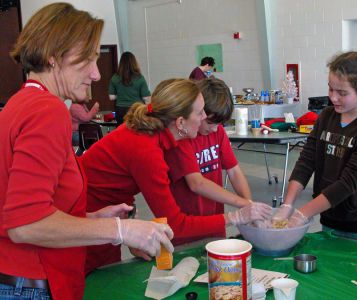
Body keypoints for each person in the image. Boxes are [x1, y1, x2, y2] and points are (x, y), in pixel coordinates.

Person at [0, 3, 173, 299]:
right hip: (34, 280)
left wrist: (91, 219)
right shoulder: (48, 111)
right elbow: (24, 224)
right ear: (54, 57)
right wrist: (121, 230)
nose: (96, 74)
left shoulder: (21, 103)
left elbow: (23, 202)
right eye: (88, 61)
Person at [81, 78, 272, 273]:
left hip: (107, 208)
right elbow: (176, 223)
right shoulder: (147, 149)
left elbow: (120, 181)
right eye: (200, 113)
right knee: (94, 278)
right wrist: (236, 216)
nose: (204, 117)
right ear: (180, 122)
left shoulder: (157, 133)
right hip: (86, 211)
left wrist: (128, 221)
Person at [272, 51, 357, 247]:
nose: (333, 98)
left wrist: (302, 213)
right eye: (331, 89)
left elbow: (348, 183)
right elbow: (307, 160)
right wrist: (287, 204)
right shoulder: (327, 116)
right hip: (330, 219)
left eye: (342, 93)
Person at [164, 77, 254, 245]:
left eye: (219, 124)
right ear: (198, 112)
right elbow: (196, 183)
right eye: (210, 122)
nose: (214, 128)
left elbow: (234, 171)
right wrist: (242, 206)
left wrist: (249, 205)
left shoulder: (217, 132)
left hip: (215, 223)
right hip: (186, 229)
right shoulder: (183, 137)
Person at [109, 51, 151, 125]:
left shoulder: (115, 77)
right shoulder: (139, 78)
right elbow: (146, 98)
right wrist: (149, 111)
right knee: (136, 131)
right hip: (136, 109)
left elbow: (111, 97)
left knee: (122, 131)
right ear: (134, 62)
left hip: (120, 109)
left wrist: (122, 95)